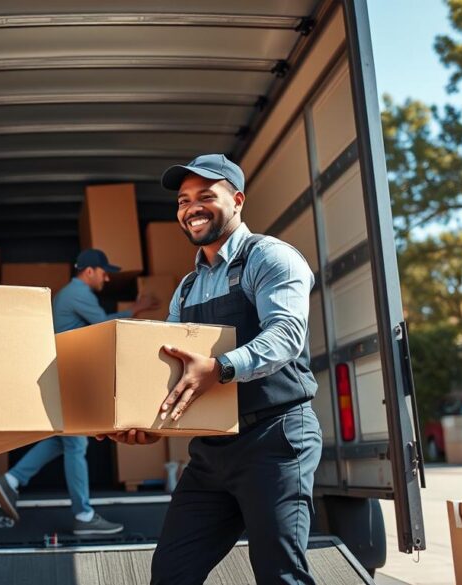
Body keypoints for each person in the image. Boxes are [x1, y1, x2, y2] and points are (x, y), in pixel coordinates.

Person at [106, 154, 322, 584]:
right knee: (171, 573)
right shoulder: (187, 286)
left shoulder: (272, 258)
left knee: (281, 576)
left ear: (237, 200)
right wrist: (148, 424)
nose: (191, 208)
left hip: (275, 441)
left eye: (206, 196)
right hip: (210, 452)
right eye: (184, 201)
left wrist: (221, 367)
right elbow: (168, 367)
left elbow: (285, 336)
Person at [0, 249, 158, 535]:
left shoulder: (71, 294)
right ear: (88, 271)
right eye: (104, 271)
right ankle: (83, 515)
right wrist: (135, 310)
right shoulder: (77, 293)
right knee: (76, 446)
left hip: (64, 376)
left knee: (64, 442)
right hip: (68, 377)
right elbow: (105, 324)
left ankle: (12, 480)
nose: (107, 277)